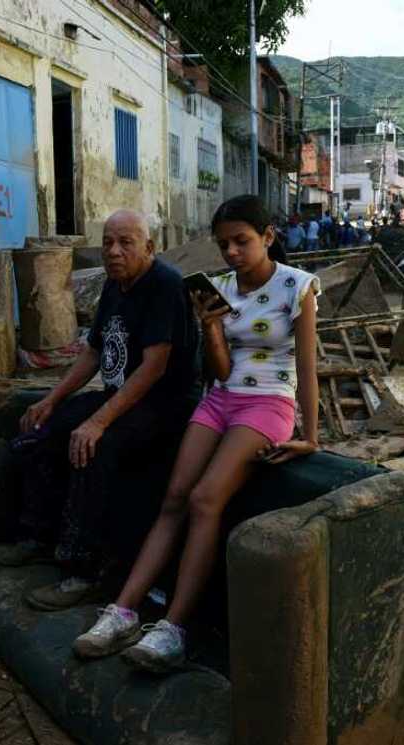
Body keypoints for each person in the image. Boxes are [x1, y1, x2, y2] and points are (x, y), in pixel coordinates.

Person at [72, 194, 320, 672]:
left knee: (207, 499)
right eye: (223, 244)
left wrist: (310, 435)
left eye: (241, 242)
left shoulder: (299, 286)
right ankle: (123, 612)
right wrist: (210, 327)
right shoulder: (218, 287)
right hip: (222, 398)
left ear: (268, 237)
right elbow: (221, 370)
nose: (231, 253)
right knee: (174, 498)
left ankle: (174, 628)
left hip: (269, 402)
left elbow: (307, 368)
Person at [0, 210, 199, 610]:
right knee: (42, 431)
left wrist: (98, 421)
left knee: (93, 448)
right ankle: (36, 537)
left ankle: (83, 571)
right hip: (120, 396)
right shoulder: (114, 286)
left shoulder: (164, 285)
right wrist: (52, 399)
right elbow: (93, 351)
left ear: (149, 248)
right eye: (107, 242)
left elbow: (154, 367)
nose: (113, 251)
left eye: (125, 242)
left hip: (162, 405)